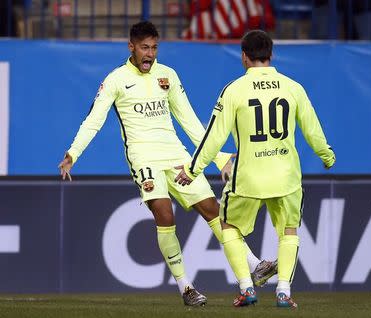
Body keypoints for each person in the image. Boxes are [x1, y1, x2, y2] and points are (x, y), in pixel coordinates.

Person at [58, 21, 277, 307]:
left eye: (154, 47)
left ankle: (254, 263)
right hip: (143, 158)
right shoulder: (115, 80)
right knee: (164, 213)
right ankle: (186, 286)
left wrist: (220, 157)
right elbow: (94, 120)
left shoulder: (168, 76)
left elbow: (189, 120)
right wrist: (73, 153)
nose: (150, 54)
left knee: (212, 208)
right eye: (145, 48)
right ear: (131, 48)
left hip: (176, 155)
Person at [175, 30, 336, 308]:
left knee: (228, 226)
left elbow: (214, 137)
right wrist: (326, 155)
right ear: (271, 56)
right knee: (289, 231)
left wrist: (192, 170)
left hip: (248, 176)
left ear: (244, 57)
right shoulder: (292, 87)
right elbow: (313, 129)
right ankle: (283, 291)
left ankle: (247, 288)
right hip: (286, 177)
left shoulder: (234, 90)